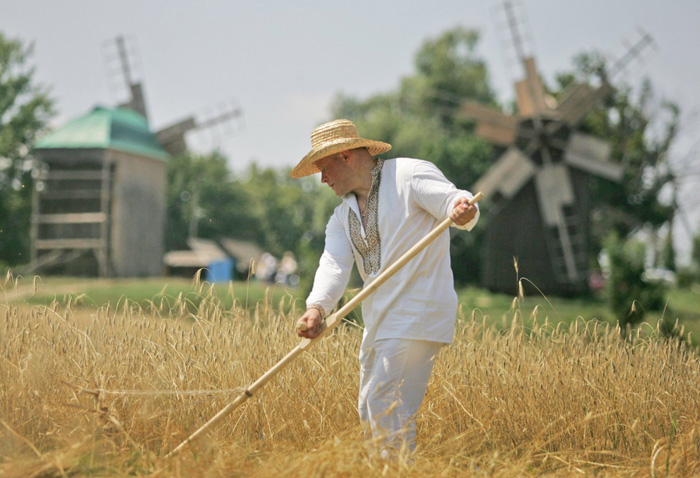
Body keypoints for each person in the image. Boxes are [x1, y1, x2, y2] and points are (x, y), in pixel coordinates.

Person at [290, 119, 479, 459]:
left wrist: (462, 210)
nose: (322, 179)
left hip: (417, 313)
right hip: (378, 322)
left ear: (345, 156)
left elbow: (454, 200)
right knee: (369, 406)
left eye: (323, 168)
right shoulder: (340, 216)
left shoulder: (408, 175)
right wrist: (317, 308)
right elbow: (334, 264)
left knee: (384, 403)